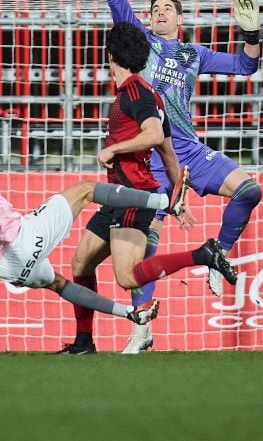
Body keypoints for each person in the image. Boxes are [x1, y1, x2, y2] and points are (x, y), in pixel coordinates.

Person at [75, 0, 263, 354]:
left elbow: (246, 66)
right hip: (152, 158)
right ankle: (142, 329)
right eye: (154, 8)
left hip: (190, 150)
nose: (157, 13)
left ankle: (219, 252)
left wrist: (253, 35)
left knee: (251, 190)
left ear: (180, 20)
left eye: (165, 9)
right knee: (139, 254)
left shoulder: (193, 54)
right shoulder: (140, 42)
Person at [0, 113, 179, 338]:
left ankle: (131, 314)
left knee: (59, 284)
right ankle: (162, 200)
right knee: (85, 189)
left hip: (5, 267)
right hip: (23, 239)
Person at [58, 22, 237, 355]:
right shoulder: (149, 94)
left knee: (127, 277)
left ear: (109, 55)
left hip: (132, 196)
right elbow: (169, 155)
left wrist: (113, 149)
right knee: (81, 263)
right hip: (120, 196)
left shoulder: (136, 93)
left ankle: (204, 254)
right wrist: (176, 199)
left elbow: (154, 136)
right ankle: (83, 343)